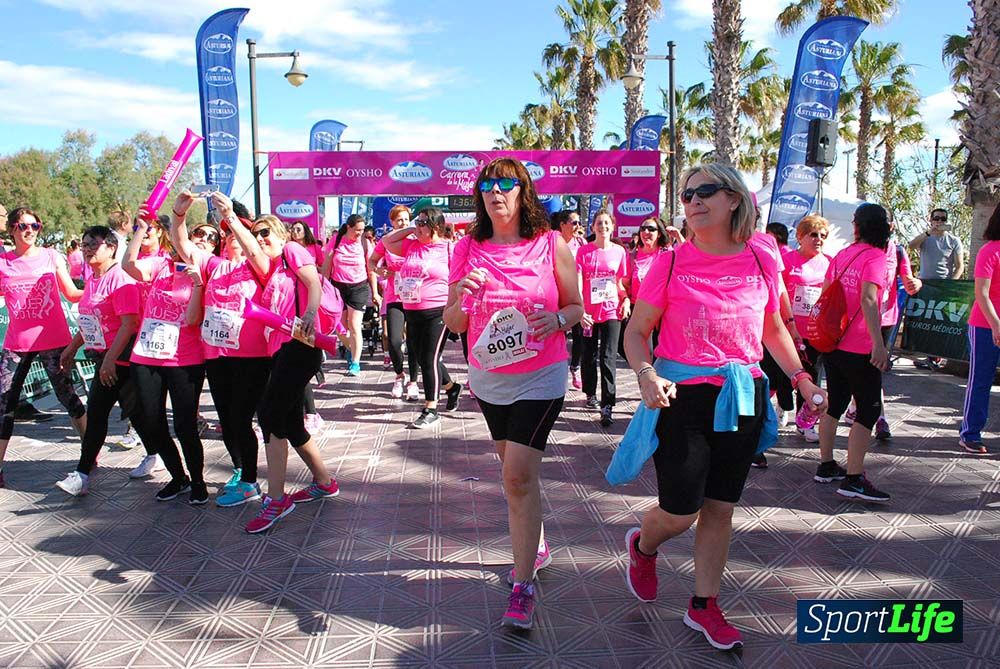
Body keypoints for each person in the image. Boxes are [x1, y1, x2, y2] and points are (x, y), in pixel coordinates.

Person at [621, 164, 827, 650]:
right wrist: (646, 374)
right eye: (687, 192)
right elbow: (635, 332)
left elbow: (772, 327)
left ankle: (704, 605)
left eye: (705, 191)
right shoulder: (670, 262)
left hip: (744, 394)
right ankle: (643, 544)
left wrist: (800, 377)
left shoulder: (762, 257)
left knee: (720, 508)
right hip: (681, 396)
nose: (692, 200)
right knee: (680, 511)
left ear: (734, 199)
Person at [444, 158, 583, 630]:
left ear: (523, 191)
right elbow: (455, 323)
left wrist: (558, 320)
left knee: (517, 478)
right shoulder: (467, 247)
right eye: (487, 185)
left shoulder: (550, 243)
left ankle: (522, 585)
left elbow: (576, 306)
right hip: (488, 378)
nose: (495, 192)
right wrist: (460, 297)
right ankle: (535, 540)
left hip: (541, 375)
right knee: (512, 470)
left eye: (505, 184)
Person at [220, 200, 339, 534]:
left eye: (265, 232)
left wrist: (310, 317)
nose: (259, 239)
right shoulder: (272, 270)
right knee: (289, 422)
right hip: (282, 349)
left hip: (300, 347)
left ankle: (275, 499)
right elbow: (245, 244)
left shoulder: (291, 250)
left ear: (281, 233)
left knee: (270, 418)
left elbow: (314, 283)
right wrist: (230, 220)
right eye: (255, 234)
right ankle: (324, 481)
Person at [169, 192, 271, 507]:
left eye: (235, 232)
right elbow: (182, 245)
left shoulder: (258, 267)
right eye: (227, 235)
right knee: (229, 420)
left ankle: (252, 481)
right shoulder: (214, 265)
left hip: (252, 357)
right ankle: (241, 470)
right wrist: (179, 214)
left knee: (243, 419)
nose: (231, 239)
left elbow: (254, 249)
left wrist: (230, 216)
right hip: (217, 356)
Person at [55, 226, 150, 495]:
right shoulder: (93, 279)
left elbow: (129, 323)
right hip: (103, 357)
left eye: (93, 245)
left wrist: (110, 360)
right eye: (84, 245)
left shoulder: (121, 279)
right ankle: (85, 473)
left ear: (111, 248)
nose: (86, 250)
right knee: (120, 414)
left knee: (115, 414)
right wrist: (71, 348)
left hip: (122, 360)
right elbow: (89, 322)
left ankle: (83, 474)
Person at [123, 210, 208, 504]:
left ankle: (197, 481)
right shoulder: (158, 265)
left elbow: (195, 319)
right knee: (150, 421)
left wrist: (198, 284)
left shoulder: (201, 271)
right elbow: (128, 264)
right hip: (146, 355)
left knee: (184, 426)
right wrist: (141, 227)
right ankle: (178, 477)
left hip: (185, 358)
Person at [0, 208, 88, 488]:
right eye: (23, 225)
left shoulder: (51, 256)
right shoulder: (3, 260)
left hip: (54, 341)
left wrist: (103, 288)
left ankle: (90, 452)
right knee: (4, 404)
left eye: (35, 225)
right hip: (16, 344)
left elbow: (72, 293)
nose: (29, 230)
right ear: (12, 229)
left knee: (68, 396)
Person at [815, 203, 893, 502]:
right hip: (860, 346)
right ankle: (853, 478)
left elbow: (825, 292)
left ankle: (826, 464)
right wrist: (879, 344)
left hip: (834, 343)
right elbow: (869, 300)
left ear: (857, 225)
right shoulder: (876, 257)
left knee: (835, 404)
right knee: (869, 410)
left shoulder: (842, 255)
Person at [381, 207, 461, 428]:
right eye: (417, 222)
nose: (418, 226)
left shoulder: (448, 248)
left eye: (423, 223)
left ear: (435, 226)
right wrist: (411, 226)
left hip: (438, 310)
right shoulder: (411, 246)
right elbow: (388, 242)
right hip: (412, 309)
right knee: (424, 357)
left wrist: (454, 306)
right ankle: (451, 388)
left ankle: (431, 408)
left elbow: (457, 278)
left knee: (429, 359)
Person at [780, 215, 833, 443]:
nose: (818, 239)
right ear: (800, 237)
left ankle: (806, 421)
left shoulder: (830, 262)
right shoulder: (787, 261)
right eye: (813, 234)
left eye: (822, 236)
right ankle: (782, 408)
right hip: (786, 330)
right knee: (782, 377)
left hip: (815, 332)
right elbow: (776, 293)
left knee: (811, 376)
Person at [577, 210, 629, 427]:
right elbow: (578, 281)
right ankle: (590, 393)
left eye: (607, 223)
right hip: (588, 312)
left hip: (611, 310)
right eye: (599, 223)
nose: (603, 227)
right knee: (588, 355)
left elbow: (621, 282)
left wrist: (625, 299)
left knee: (608, 357)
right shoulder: (584, 252)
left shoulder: (619, 252)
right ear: (593, 227)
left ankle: (608, 403)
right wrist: (580, 309)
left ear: (612, 227)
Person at [960, 202, 1000, 455]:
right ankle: (970, 433)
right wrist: (996, 325)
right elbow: (981, 293)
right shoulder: (990, 251)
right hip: (985, 325)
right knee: (981, 380)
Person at [369, 205, 420, 401]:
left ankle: (413, 382)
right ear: (392, 222)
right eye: (399, 220)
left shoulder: (416, 240)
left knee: (414, 341)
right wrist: (380, 271)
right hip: (394, 296)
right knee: (394, 340)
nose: (404, 224)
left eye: (407, 220)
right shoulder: (386, 241)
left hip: (415, 296)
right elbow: (372, 261)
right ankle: (399, 375)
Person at [322, 214, 378, 376]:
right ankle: (351, 348)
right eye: (357, 230)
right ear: (348, 227)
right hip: (338, 286)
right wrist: (324, 289)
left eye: (362, 230)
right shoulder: (336, 240)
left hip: (358, 287)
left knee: (354, 326)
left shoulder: (365, 243)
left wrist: (375, 292)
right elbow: (327, 266)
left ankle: (355, 363)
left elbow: (371, 269)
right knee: (341, 329)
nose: (360, 233)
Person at [289, 220, 326, 431]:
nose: (295, 232)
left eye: (299, 229)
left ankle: (311, 414)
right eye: (292, 229)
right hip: (283, 323)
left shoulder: (304, 250)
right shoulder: (280, 256)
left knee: (300, 370)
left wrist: (311, 311)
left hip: (305, 313)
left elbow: (318, 276)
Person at [552, 210, 584, 390]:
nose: (577, 226)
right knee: (560, 332)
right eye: (574, 222)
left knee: (579, 335)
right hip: (557, 296)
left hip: (576, 295)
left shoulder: (580, 243)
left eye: (579, 223)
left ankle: (575, 367)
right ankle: (559, 368)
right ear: (563, 224)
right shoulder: (553, 241)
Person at [909, 208, 965, 280]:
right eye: (936, 218)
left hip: (944, 283)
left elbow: (959, 266)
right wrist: (928, 233)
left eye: (943, 219)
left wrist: (952, 283)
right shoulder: (924, 238)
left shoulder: (954, 241)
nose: (939, 221)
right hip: (925, 283)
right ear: (931, 220)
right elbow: (911, 247)